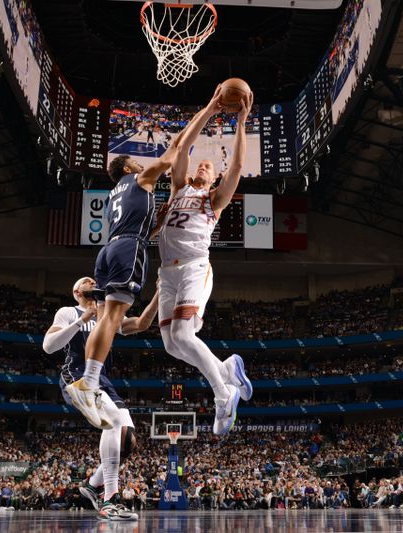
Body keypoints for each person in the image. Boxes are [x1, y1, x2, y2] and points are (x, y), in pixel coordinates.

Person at [65, 129, 179, 429]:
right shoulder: (139, 180)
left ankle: (89, 384)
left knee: (109, 319)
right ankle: (88, 383)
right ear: (128, 168)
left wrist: (157, 226)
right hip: (128, 248)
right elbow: (170, 158)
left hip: (111, 248)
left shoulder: (113, 195)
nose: (142, 165)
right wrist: (188, 133)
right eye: (136, 162)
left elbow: (133, 228)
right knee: (111, 319)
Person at [156, 85, 254, 434]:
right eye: (201, 163)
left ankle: (222, 393)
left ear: (213, 179)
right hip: (166, 273)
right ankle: (225, 370)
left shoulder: (213, 201)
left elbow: (239, 164)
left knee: (183, 332)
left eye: (209, 167)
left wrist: (241, 122)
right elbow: (182, 147)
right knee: (170, 344)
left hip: (195, 268)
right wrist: (211, 109)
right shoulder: (179, 187)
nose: (203, 165)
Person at [44, 276, 159, 520]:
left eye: (94, 279)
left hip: (103, 379)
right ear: (77, 291)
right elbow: (48, 346)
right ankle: (110, 501)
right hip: (77, 374)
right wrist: (81, 320)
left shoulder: (107, 314)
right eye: (86, 281)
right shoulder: (68, 311)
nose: (92, 280)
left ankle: (92, 483)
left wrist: (160, 295)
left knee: (127, 438)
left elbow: (140, 324)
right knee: (114, 420)